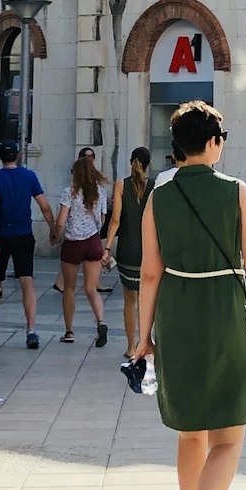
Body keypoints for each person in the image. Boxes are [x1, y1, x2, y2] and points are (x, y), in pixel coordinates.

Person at [135, 100, 246, 490]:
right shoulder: (237, 192)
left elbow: (149, 273)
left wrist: (143, 336)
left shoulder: (158, 195)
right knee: (229, 436)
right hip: (223, 316)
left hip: (176, 315)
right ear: (213, 143)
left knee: (190, 432)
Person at [0, 141, 57, 349]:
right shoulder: (29, 176)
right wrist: (53, 228)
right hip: (24, 234)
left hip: (2, 235)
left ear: (0, 157)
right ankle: (31, 330)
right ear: (18, 155)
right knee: (26, 281)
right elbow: (44, 206)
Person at [103, 148, 155, 358]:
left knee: (129, 301)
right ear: (148, 163)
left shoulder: (120, 185)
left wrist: (107, 248)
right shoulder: (154, 186)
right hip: (148, 251)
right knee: (146, 300)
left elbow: (115, 219)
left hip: (127, 249)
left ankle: (131, 347)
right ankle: (145, 343)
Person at [55, 158, 110, 346]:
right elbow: (103, 219)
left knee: (69, 289)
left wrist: (55, 234)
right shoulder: (100, 192)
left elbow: (61, 221)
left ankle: (69, 331)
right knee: (91, 289)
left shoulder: (69, 193)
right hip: (93, 242)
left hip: (73, 244)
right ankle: (101, 322)